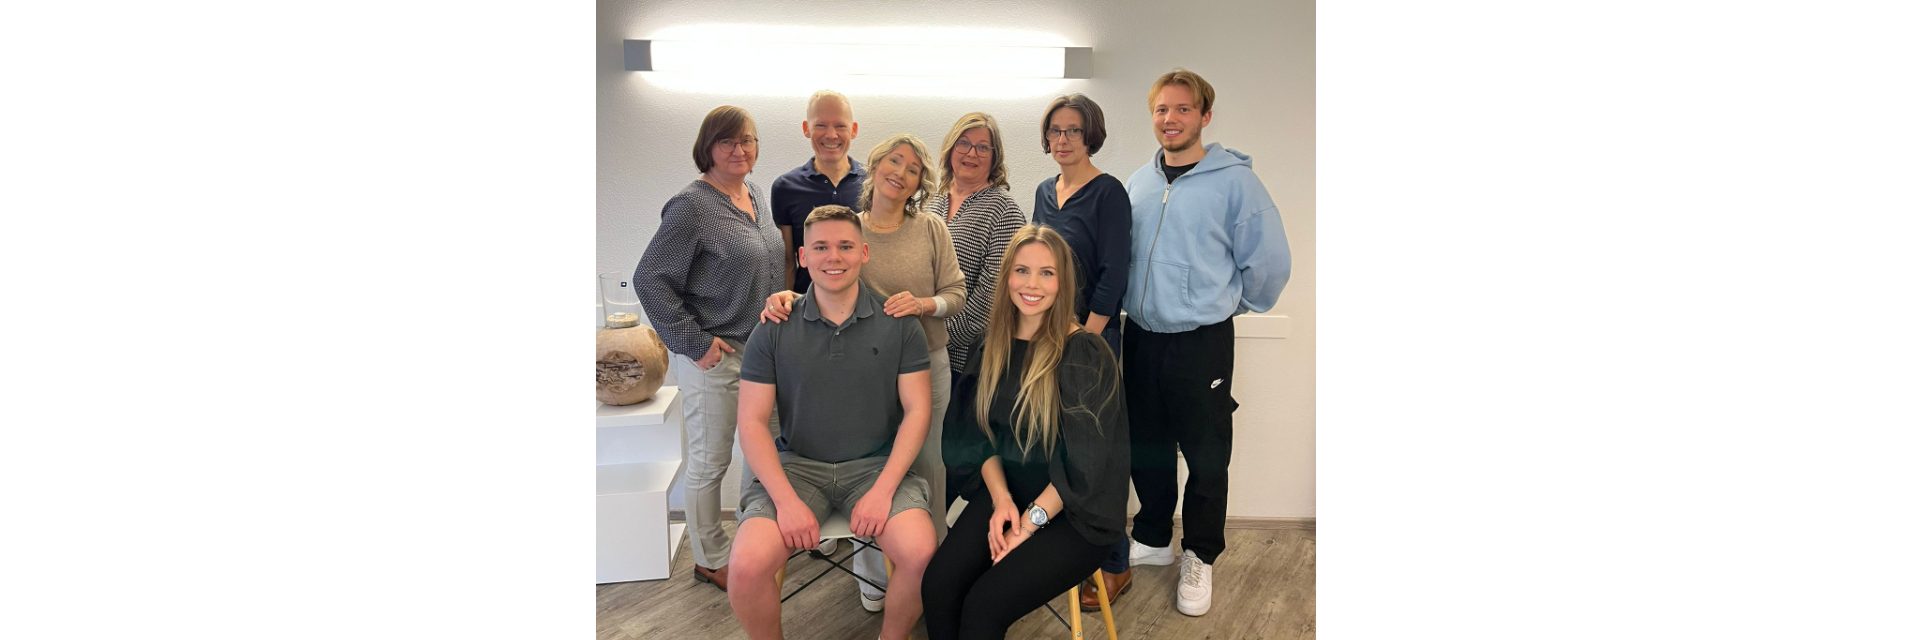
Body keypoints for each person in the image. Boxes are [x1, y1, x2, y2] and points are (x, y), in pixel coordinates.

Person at [762, 133, 965, 613]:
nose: (901, 173)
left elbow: (956, 293)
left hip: (926, 364)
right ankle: (873, 576)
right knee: (868, 465)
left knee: (927, 467)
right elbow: (827, 278)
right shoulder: (851, 227)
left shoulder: (931, 228)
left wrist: (923, 305)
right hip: (865, 372)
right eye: (895, 161)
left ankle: (929, 575)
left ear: (920, 182)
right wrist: (787, 298)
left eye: (913, 169)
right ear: (875, 166)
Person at [1122, 68, 1292, 617]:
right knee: (1146, 444)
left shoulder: (1236, 183)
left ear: (1205, 116)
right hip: (1140, 337)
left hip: (1201, 342)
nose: (1170, 119)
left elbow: (1269, 263)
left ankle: (1199, 553)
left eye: (1182, 109)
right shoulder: (1139, 183)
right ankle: (1152, 535)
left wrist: (1226, 303)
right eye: (1161, 109)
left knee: (1206, 452)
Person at [726, 205, 938, 640]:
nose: (834, 257)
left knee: (920, 554)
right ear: (803, 257)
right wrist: (785, 502)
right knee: (745, 566)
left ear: (864, 253)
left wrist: (883, 491)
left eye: (845, 246)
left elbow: (918, 412)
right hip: (798, 469)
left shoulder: (900, 324)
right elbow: (751, 422)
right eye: (821, 247)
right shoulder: (773, 327)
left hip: (876, 468)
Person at [921, 225, 1129, 640]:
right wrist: (1000, 501)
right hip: (1010, 492)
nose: (1032, 284)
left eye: (1046, 273)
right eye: (1022, 271)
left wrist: (1028, 525)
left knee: (983, 607)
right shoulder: (991, 345)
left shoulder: (1083, 353)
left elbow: (1084, 463)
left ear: (1062, 282)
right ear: (1007, 277)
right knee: (939, 587)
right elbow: (978, 436)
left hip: (1075, 511)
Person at [630, 105, 785, 593]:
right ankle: (710, 557)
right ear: (708, 148)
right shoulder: (691, 206)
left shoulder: (754, 195)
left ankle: (755, 543)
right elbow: (649, 278)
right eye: (727, 141)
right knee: (710, 460)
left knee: (766, 453)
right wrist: (694, 343)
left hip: (762, 355)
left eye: (748, 140)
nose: (739, 150)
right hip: (716, 357)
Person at [1029, 93, 1135, 611]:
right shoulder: (1044, 192)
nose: (1063, 139)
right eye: (1055, 130)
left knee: (1097, 457)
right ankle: (1066, 555)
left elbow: (1115, 272)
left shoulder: (1108, 192)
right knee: (1058, 449)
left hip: (1091, 342)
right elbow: (1036, 263)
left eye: (1073, 130)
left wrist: (1086, 339)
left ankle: (1115, 565)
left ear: (1090, 134)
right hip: (1047, 339)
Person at [929, 112, 1026, 382]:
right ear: (951, 148)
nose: (972, 153)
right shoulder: (931, 201)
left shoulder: (1004, 211)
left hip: (967, 361)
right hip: (919, 350)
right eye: (964, 143)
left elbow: (991, 296)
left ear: (995, 157)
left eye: (983, 147)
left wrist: (938, 339)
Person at [771, 90, 863, 295]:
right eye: (821, 125)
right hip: (806, 304)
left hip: (863, 306)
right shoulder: (785, 188)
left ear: (854, 129)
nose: (831, 135)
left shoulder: (873, 183)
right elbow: (788, 262)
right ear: (806, 128)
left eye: (840, 126)